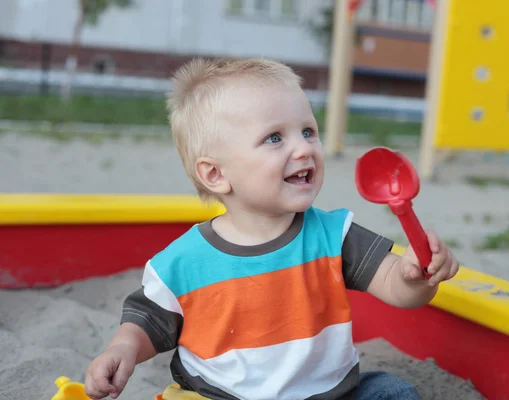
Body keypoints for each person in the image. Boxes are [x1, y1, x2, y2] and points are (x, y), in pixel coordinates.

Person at [84, 57, 459, 400]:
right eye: (275, 138)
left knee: (393, 392)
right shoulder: (185, 262)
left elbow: (395, 286)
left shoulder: (332, 235)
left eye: (308, 131)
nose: (303, 149)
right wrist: (123, 349)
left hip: (328, 393)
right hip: (221, 395)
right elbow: (148, 321)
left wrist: (415, 278)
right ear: (216, 174)